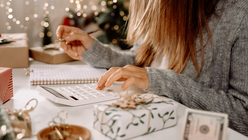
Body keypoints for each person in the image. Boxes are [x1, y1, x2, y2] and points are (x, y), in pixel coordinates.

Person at [56, 0, 248, 136]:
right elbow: (139, 62)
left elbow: (244, 116)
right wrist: (93, 48)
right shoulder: (155, 7)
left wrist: (161, 81)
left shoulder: (239, 14)